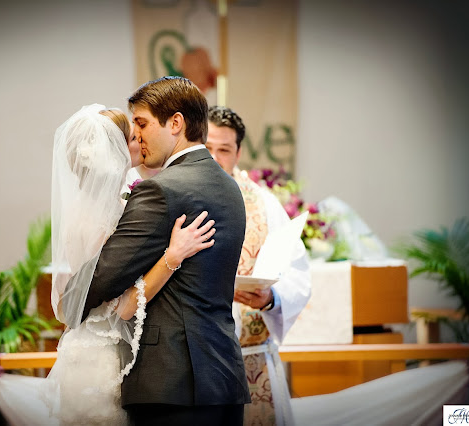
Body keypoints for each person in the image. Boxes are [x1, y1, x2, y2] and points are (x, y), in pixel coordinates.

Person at [82, 77, 250, 426]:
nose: (137, 135)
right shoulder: (230, 187)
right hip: (223, 376)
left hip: (171, 385)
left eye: (142, 123)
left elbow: (102, 279)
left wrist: (67, 298)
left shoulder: (161, 190)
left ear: (176, 123)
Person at [46, 103, 216, 425]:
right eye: (131, 136)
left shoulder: (106, 205)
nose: (140, 140)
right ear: (114, 152)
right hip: (103, 356)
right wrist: (172, 257)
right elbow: (120, 308)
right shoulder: (98, 219)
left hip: (101, 347)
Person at [206, 106, 312, 426]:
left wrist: (270, 298)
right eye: (206, 148)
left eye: (223, 150)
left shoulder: (263, 204)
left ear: (238, 153)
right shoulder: (174, 196)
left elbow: (298, 274)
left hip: (251, 362)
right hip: (195, 365)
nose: (213, 158)